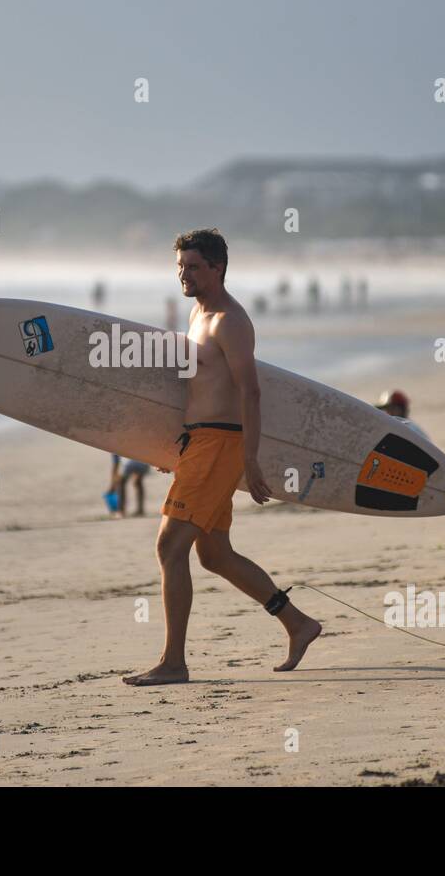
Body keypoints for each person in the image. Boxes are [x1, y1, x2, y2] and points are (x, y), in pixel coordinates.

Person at [123, 228, 322, 686]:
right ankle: (298, 624)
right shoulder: (198, 316)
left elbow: (249, 391)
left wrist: (249, 461)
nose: (184, 275)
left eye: (193, 266)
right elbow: (195, 391)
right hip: (200, 444)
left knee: (170, 546)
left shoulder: (229, 321)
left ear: (218, 268)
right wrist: (172, 447)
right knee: (213, 554)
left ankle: (174, 662)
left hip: (221, 445)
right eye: (180, 266)